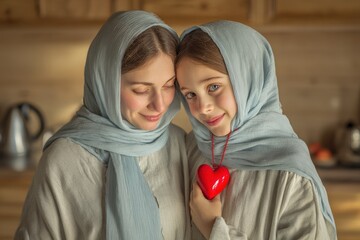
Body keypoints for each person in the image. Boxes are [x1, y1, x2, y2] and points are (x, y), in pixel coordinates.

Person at [15, 10, 191, 240]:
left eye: (169, 85)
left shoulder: (178, 143)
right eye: (141, 90)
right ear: (105, 83)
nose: (159, 104)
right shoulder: (63, 160)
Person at [175, 21, 337, 239]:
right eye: (190, 95)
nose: (203, 107)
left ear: (248, 80)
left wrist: (214, 228)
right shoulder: (192, 149)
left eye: (213, 86)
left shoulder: (292, 176)